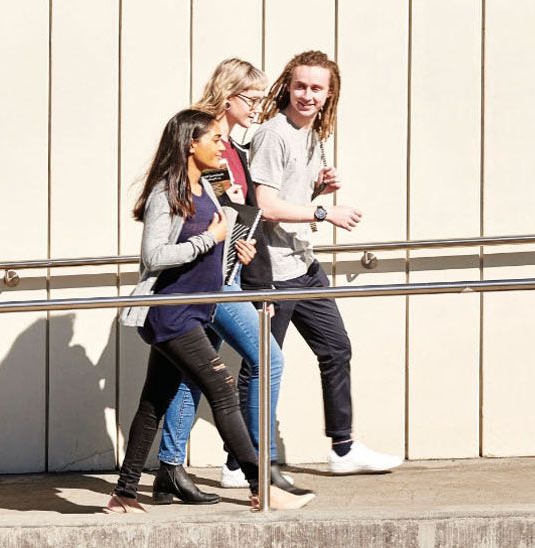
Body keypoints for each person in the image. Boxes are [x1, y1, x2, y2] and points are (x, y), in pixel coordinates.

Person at [108, 109, 315, 513]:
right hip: (172, 313)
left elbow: (209, 257)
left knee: (154, 401)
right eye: (215, 140)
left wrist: (234, 252)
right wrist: (209, 239)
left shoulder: (204, 188)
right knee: (222, 390)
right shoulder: (165, 194)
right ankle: (261, 488)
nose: (223, 146)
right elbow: (154, 256)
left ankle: (124, 493)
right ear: (191, 144)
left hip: (195, 310)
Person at [154, 59, 306, 502]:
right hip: (208, 279)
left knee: (193, 374)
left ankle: (170, 468)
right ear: (228, 96)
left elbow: (233, 216)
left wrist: (241, 247)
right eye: (252, 99)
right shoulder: (206, 142)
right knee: (268, 361)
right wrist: (222, 246)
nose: (259, 107)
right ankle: (257, 465)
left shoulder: (233, 149)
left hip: (228, 271)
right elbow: (200, 208)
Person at [244, 50, 403, 474]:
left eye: (316, 88)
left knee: (336, 349)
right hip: (272, 273)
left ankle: (343, 449)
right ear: (287, 86)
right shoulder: (272, 135)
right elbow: (267, 206)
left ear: (329, 94)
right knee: (261, 364)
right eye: (300, 86)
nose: (307, 95)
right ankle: (239, 460)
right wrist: (323, 212)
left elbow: (288, 199)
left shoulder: (313, 135)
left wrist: (315, 190)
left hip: (304, 265)